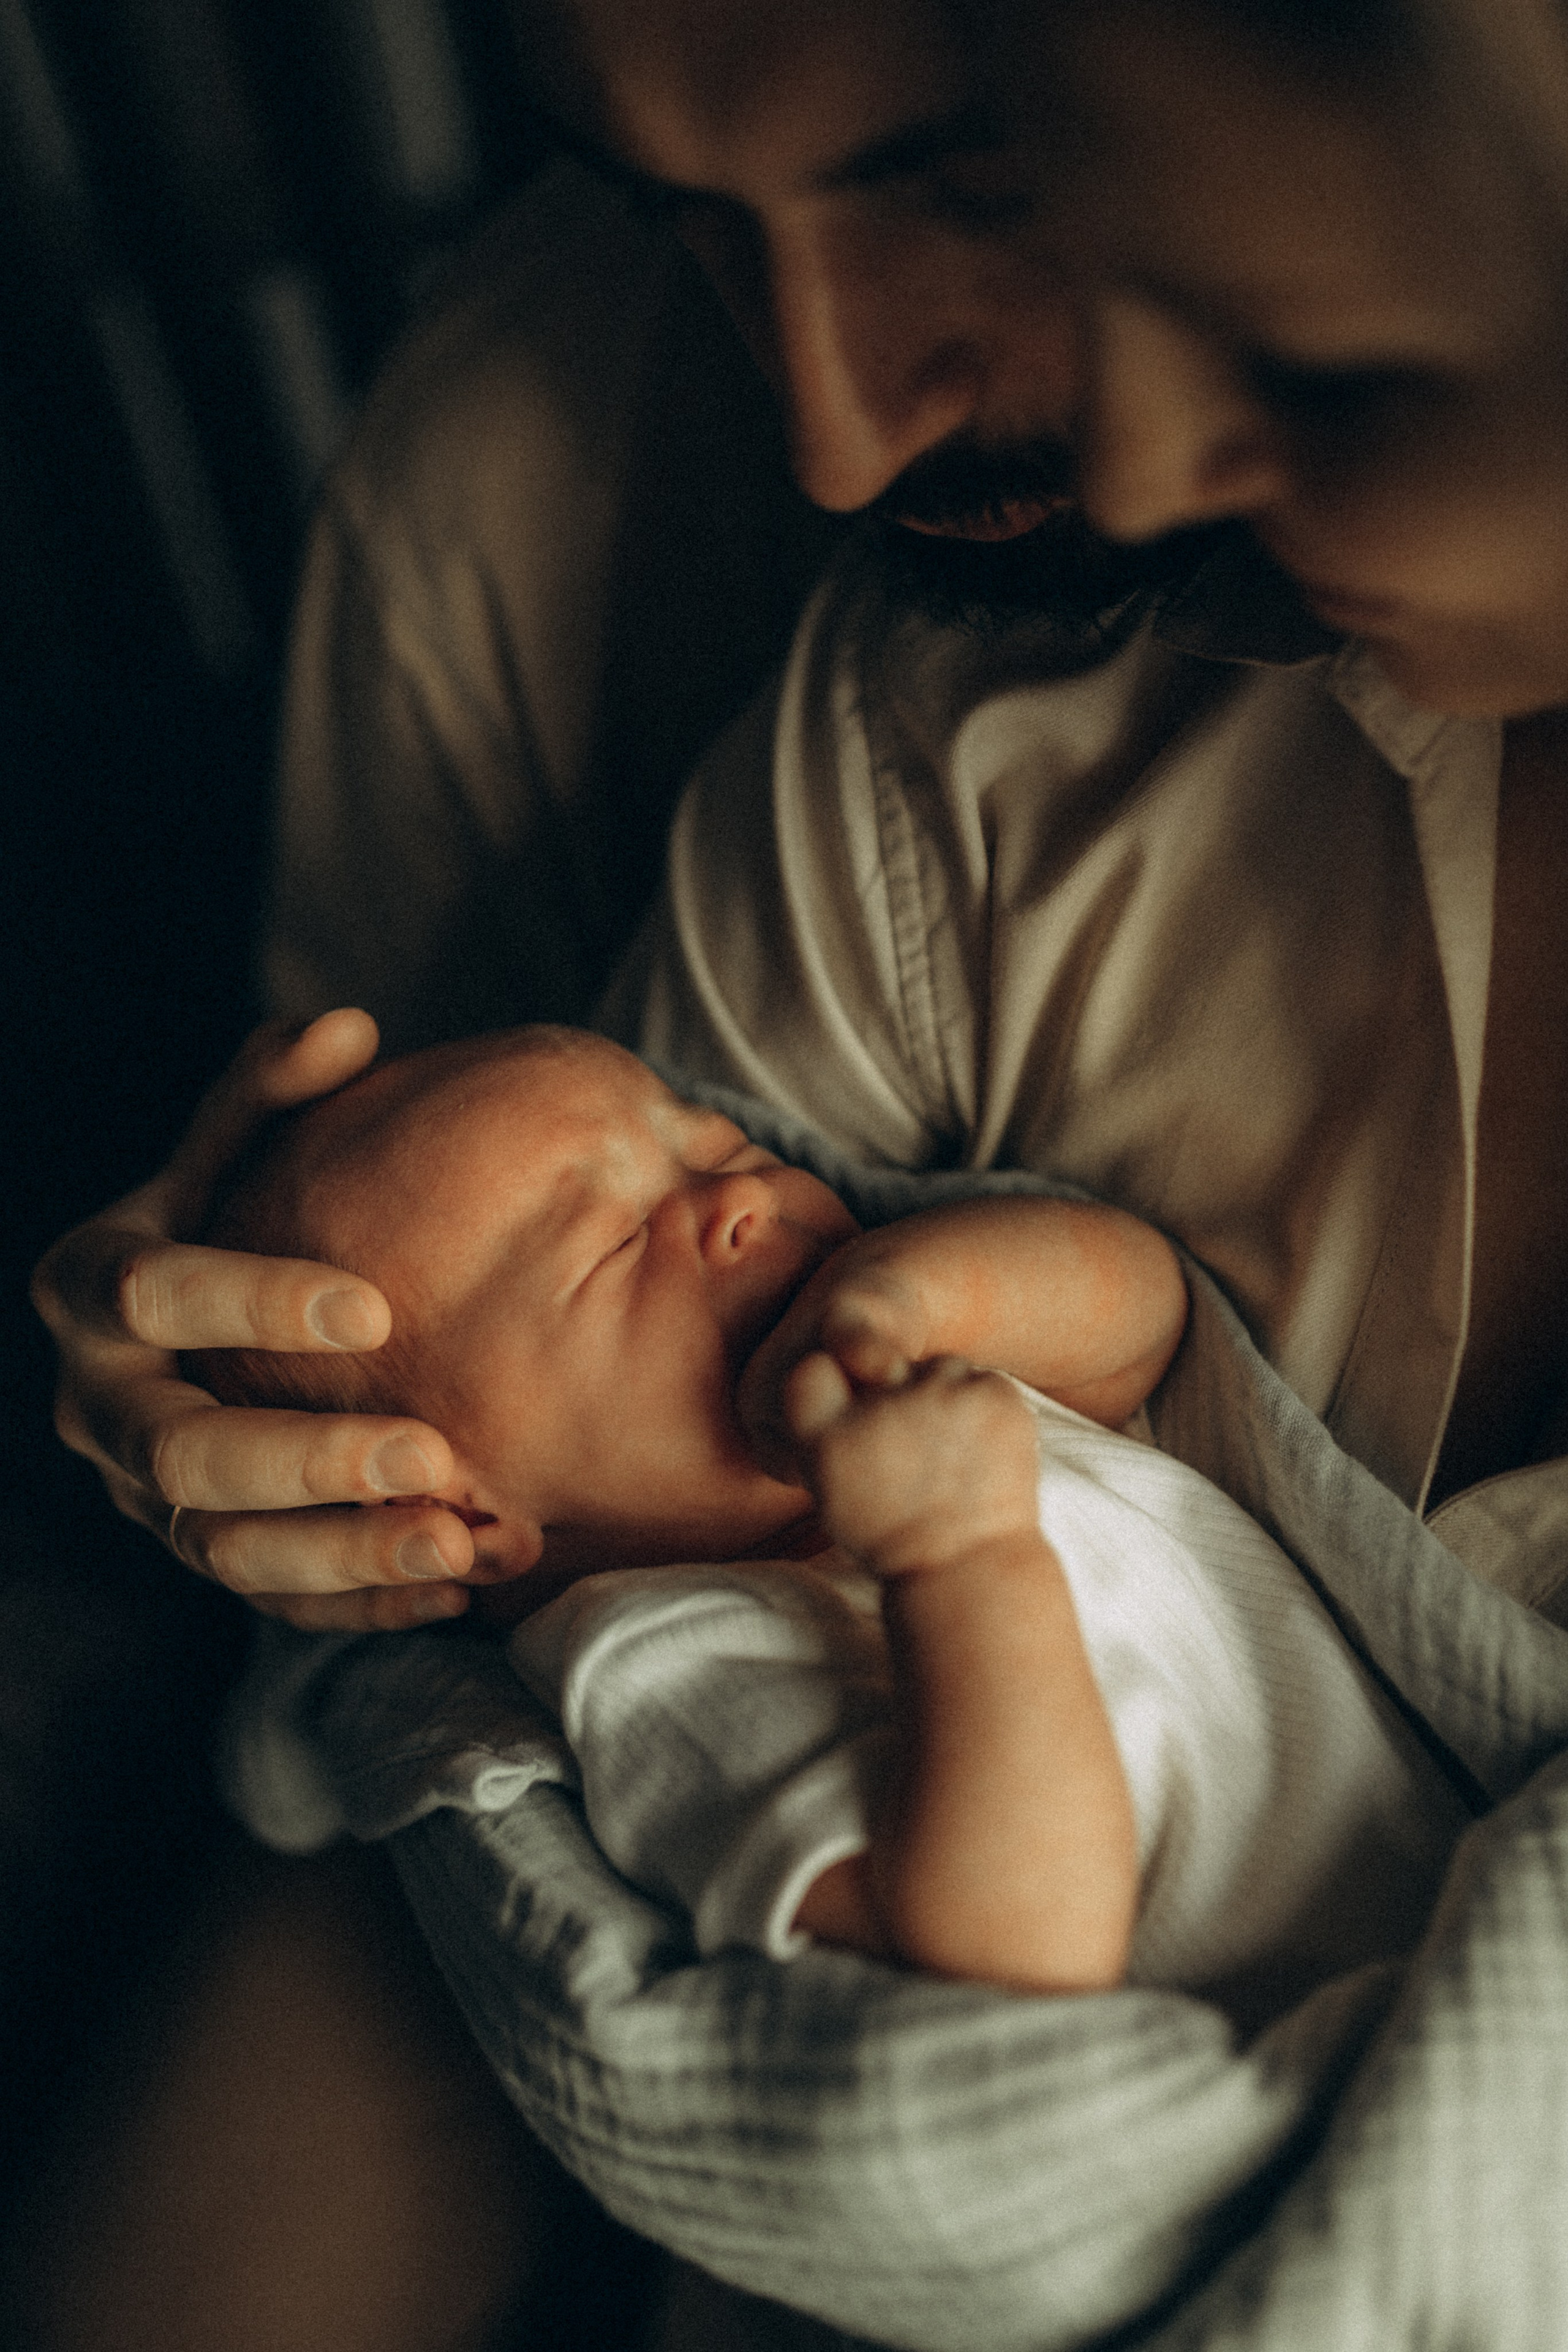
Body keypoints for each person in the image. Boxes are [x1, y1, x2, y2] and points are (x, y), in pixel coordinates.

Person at [25, 0, 1568, 2344]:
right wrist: (316, 1550)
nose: (831, 435)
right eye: (669, 215)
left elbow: (1127, 1317)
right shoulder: (928, 740)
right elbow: (616, 1930)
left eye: (976, 175)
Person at [195, 1025, 1463, 2019]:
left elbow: (1143, 1326)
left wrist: (923, 1288)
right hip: (1326, 2030)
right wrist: (958, 1564)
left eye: (704, 1142)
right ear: (461, 1511)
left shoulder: (924, 1388)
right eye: (618, 1245)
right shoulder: (662, 1665)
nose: (734, 1195)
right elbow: (1010, 1963)